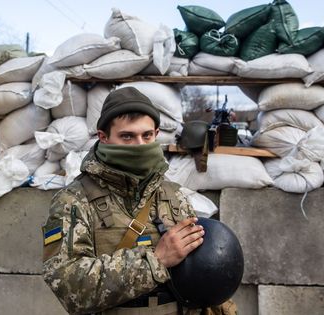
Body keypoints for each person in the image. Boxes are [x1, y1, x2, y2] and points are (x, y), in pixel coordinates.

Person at [42, 87, 236, 315]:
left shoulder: (173, 195)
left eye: (147, 136)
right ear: (103, 137)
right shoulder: (74, 200)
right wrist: (155, 260)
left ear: (155, 133)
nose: (140, 145)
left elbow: (200, 273)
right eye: (127, 136)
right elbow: (68, 286)